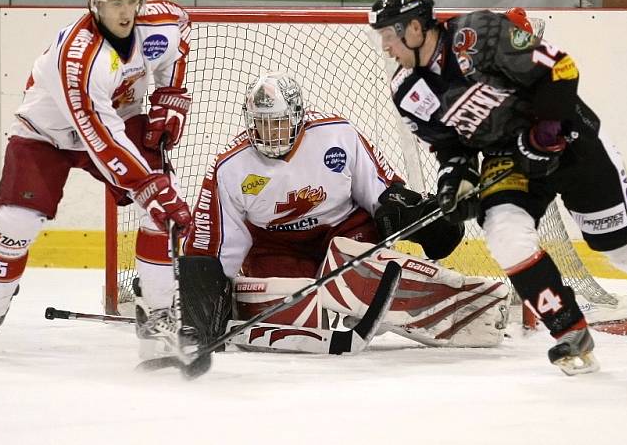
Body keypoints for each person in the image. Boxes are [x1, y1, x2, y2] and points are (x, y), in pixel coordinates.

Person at [368, 0, 627, 374]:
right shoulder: (408, 89)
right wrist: (455, 180)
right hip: (509, 160)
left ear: (414, 29)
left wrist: (545, 133)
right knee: (504, 233)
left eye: (388, 34)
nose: (385, 47)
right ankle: (570, 331)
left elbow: (560, 70)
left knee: (622, 249)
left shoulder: (478, 34)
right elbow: (449, 144)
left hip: (570, 142)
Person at [0, 0, 193, 355]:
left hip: (115, 119)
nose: (126, 12)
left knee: (164, 201)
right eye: (115, 4)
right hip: (48, 134)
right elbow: (100, 137)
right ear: (94, 3)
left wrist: (170, 96)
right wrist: (147, 186)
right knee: (13, 223)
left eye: (131, 1)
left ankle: (157, 310)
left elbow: (180, 32)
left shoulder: (156, 22)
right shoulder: (80, 58)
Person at [183, 71, 510, 351]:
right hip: (276, 245)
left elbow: (384, 193)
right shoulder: (230, 167)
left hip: (342, 231)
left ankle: (394, 296)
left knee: (352, 258)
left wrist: (423, 218)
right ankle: (329, 303)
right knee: (286, 298)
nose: (270, 134)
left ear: (298, 115)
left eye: (279, 123)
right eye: (261, 124)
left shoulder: (337, 134)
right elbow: (216, 245)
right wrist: (204, 299)